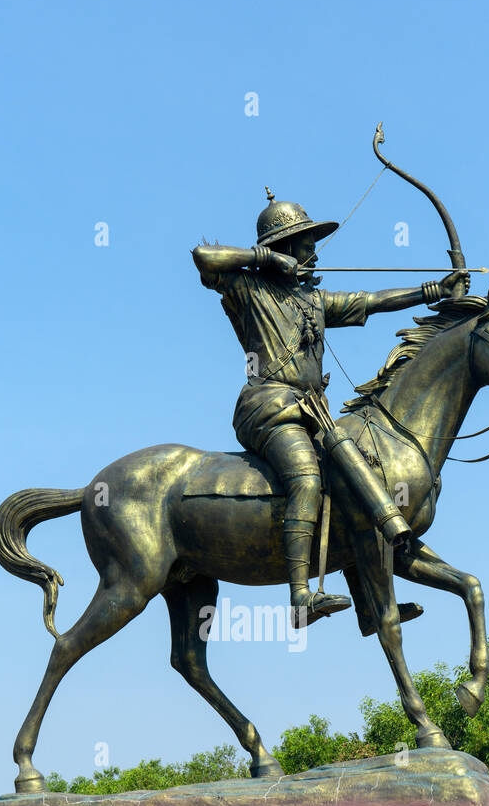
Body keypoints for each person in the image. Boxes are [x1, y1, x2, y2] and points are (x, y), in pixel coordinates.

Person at [193, 192, 468, 623]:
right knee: (305, 478)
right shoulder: (247, 288)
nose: (313, 253)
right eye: (305, 245)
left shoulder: (314, 303)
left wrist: (433, 290)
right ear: (284, 249)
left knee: (357, 474)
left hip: (312, 412)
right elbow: (204, 256)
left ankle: (369, 606)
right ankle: (301, 596)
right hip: (269, 408)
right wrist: (263, 258)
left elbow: (373, 301)